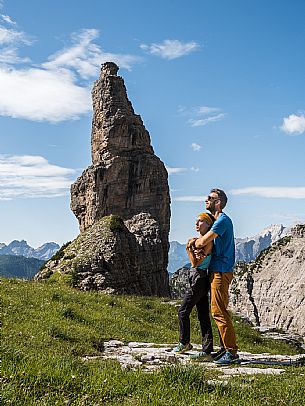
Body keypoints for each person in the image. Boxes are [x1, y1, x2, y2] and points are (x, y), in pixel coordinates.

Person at [187, 188, 240, 365]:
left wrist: (193, 242)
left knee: (219, 311)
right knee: (218, 310)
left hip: (221, 271)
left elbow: (203, 241)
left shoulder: (222, 221)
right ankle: (225, 348)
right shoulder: (219, 220)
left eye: (210, 198)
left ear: (218, 203)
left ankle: (231, 352)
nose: (206, 200)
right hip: (217, 270)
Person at [173, 212, 215, 361]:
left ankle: (184, 342)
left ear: (208, 224)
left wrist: (188, 249)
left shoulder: (207, 242)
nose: (197, 224)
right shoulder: (201, 240)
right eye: (196, 221)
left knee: (183, 311)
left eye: (200, 221)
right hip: (199, 278)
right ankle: (207, 350)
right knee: (203, 315)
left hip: (199, 278)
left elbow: (194, 263)